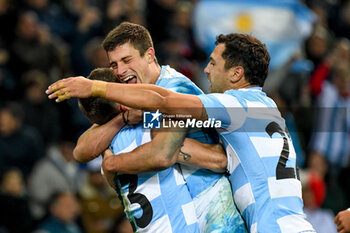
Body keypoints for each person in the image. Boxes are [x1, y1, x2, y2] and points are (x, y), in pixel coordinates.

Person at [47, 32, 316, 232]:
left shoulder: (223, 100)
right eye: (114, 64)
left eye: (213, 63)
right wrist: (128, 119)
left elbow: (167, 126)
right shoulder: (261, 106)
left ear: (236, 73)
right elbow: (83, 150)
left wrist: (95, 89)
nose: (206, 70)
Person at [64, 22, 246, 232]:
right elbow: (81, 151)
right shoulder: (129, 104)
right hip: (182, 212)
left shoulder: (176, 87)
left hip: (214, 205)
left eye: (126, 60)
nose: (120, 71)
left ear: (149, 55)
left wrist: (114, 165)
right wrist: (122, 119)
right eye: (114, 65)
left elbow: (162, 155)